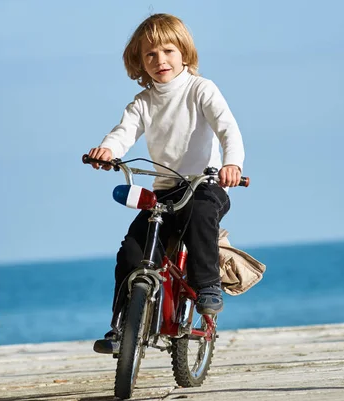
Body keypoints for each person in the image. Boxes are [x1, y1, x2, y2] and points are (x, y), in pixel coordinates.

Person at [87, 13, 245, 353]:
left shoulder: (200, 89)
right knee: (132, 249)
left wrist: (232, 164)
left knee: (201, 215)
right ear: (140, 63)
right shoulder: (143, 103)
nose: (160, 61)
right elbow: (123, 132)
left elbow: (227, 128)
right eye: (150, 55)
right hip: (165, 191)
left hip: (206, 183)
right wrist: (107, 150)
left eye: (169, 51)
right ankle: (120, 326)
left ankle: (207, 286)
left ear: (184, 53)